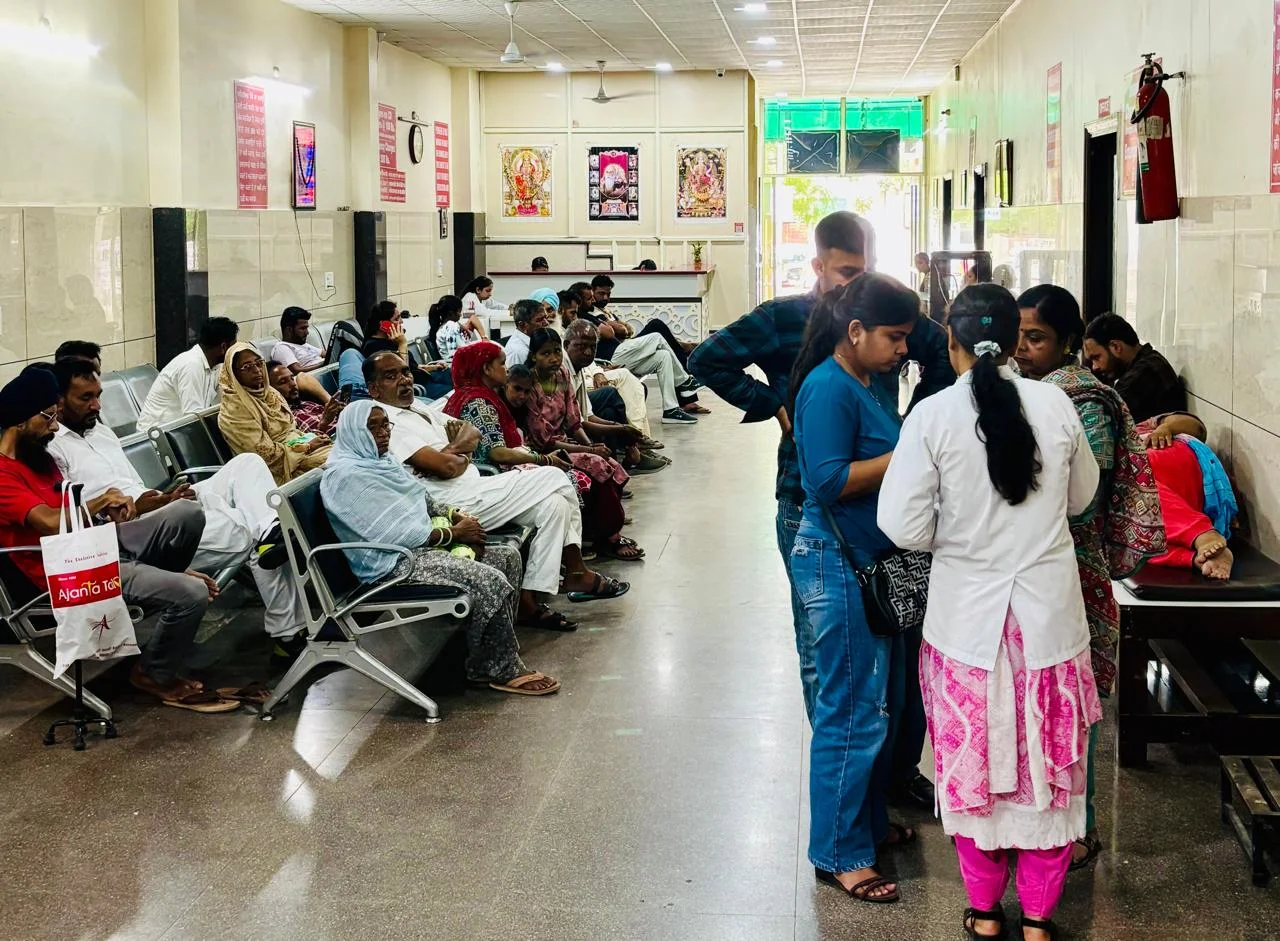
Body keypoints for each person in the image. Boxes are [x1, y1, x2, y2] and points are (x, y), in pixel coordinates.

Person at [689, 209, 953, 781]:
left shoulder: (880, 315)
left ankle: (893, 774)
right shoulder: (783, 318)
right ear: (817, 265)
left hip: (885, 504)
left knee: (896, 638)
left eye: (866, 270)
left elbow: (940, 348)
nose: (856, 283)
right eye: (846, 272)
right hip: (806, 502)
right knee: (823, 649)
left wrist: (916, 420)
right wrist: (773, 404)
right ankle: (845, 779)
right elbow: (706, 360)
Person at [878, 284, 1105, 941]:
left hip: (966, 628)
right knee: (1048, 773)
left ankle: (983, 912)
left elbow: (901, 525)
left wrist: (959, 538)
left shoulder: (932, 416)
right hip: (1048, 625)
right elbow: (1082, 497)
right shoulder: (1056, 404)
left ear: (951, 342)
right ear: (1014, 343)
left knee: (973, 767)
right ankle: (1038, 919)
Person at [1014, 284, 1166, 870]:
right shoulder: (1028, 392)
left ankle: (1082, 823)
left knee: (1074, 700)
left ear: (1070, 342)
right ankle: (1036, 815)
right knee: (1035, 694)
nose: (1022, 348)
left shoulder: (1085, 402)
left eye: (1036, 337)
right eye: (1018, 335)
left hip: (1073, 567)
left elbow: (1084, 497)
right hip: (1033, 566)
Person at [788, 273, 922, 906]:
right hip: (836, 563)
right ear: (857, 330)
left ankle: (865, 824)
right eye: (894, 336)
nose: (903, 348)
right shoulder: (828, 388)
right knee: (851, 712)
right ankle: (840, 853)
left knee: (878, 705)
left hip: (870, 565)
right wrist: (913, 454)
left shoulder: (864, 382)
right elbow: (826, 481)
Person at [49, 358, 308, 676]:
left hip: (159, 507)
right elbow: (89, 519)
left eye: (98, 395)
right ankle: (287, 631)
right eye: (85, 398)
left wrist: (166, 498)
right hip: (135, 535)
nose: (96, 405)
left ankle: (271, 535)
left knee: (248, 465)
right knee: (248, 531)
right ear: (59, 400)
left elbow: (136, 489)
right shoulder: (54, 449)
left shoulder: (100, 431)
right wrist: (158, 505)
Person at [0, 366, 237, 713]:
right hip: (67, 573)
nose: (54, 426)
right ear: (21, 421)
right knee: (192, 593)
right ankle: (153, 673)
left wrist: (104, 511)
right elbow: (50, 522)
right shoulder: (4, 475)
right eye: (48, 417)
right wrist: (99, 502)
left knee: (187, 514)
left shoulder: (39, 458)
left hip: (93, 545)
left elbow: (69, 509)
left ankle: (164, 578)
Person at [364, 351, 629, 621]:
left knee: (555, 504)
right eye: (391, 376)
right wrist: (458, 451)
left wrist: (452, 451)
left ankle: (529, 598)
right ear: (374, 389)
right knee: (554, 476)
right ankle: (576, 570)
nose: (404, 380)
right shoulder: (387, 423)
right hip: (450, 503)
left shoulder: (419, 408)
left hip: (474, 485)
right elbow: (447, 468)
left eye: (406, 372)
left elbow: (472, 432)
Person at [322, 401, 560, 695]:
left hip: (417, 550)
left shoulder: (381, 461)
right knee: (488, 579)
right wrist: (454, 534)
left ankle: (487, 657)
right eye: (373, 427)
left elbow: (421, 497)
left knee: (506, 557)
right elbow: (392, 534)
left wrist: (454, 515)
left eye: (385, 425)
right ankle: (500, 668)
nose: (384, 433)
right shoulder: (345, 477)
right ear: (353, 432)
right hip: (392, 564)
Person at [444, 341, 643, 561]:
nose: (506, 369)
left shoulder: (483, 395)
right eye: (501, 364)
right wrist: (544, 460)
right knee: (573, 478)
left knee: (591, 468)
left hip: (509, 464)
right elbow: (497, 453)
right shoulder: (479, 403)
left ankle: (590, 541)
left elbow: (572, 422)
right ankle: (582, 550)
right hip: (496, 474)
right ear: (486, 369)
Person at [523, 328, 646, 559]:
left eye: (556, 352)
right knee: (596, 465)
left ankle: (599, 531)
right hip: (544, 451)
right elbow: (544, 440)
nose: (553, 358)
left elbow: (573, 421)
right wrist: (588, 451)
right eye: (545, 353)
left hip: (566, 443)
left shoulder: (562, 375)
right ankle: (610, 539)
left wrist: (593, 448)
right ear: (533, 356)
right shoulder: (530, 385)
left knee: (608, 461)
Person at [1139, 412, 1236, 579]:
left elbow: (1197, 427)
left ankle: (1202, 535)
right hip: (1162, 505)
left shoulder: (1134, 427)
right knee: (1123, 542)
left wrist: (1166, 428)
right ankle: (1199, 558)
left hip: (1194, 471)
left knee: (1128, 483)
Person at [218, 343, 333, 485]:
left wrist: (313, 437)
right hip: (280, 471)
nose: (257, 370)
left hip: (301, 452)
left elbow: (291, 431)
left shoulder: (270, 393)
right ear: (233, 373)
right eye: (247, 366)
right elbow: (265, 457)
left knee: (347, 453)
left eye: (258, 363)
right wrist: (307, 447)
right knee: (340, 464)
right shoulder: (234, 411)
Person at [564, 319, 663, 450]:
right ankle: (633, 443)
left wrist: (620, 427)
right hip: (559, 433)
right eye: (581, 346)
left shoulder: (578, 367)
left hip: (591, 379)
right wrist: (591, 448)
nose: (588, 352)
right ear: (566, 345)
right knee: (610, 392)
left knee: (609, 412)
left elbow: (588, 415)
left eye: (593, 347)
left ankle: (629, 447)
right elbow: (577, 423)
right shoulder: (562, 369)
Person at [137, 316, 239, 432]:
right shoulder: (191, 366)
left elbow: (222, 406)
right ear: (223, 347)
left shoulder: (215, 366)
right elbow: (193, 417)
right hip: (156, 436)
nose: (235, 353)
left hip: (178, 431)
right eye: (233, 347)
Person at [1082, 312, 1187, 424]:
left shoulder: (1145, 373)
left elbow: (1097, 419)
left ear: (1116, 347)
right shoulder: (1149, 362)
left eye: (1096, 357)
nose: (1094, 367)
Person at [340, 300, 452, 401]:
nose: (401, 322)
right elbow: (401, 374)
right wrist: (402, 344)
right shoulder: (374, 347)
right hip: (417, 386)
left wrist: (431, 367)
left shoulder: (391, 341)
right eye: (397, 319)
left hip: (424, 377)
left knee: (453, 374)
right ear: (384, 325)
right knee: (452, 390)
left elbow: (412, 366)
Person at [588, 274, 698, 371]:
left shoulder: (606, 311)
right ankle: (683, 350)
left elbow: (629, 330)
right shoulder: (592, 312)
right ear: (592, 292)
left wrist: (620, 327)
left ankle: (683, 358)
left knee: (665, 347)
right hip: (619, 351)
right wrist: (621, 327)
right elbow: (622, 331)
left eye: (608, 294)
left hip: (627, 345)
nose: (605, 298)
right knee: (656, 325)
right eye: (601, 293)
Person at [269, 362, 344, 437]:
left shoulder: (306, 404)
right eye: (283, 382)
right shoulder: (285, 420)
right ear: (270, 390)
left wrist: (341, 410)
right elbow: (313, 442)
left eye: (292, 378)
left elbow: (302, 376)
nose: (293, 384)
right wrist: (323, 425)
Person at [271, 306, 325, 372]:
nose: (307, 333)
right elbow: (296, 370)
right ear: (289, 330)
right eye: (303, 328)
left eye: (306, 328)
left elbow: (325, 354)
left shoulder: (301, 344)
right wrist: (325, 364)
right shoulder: (282, 347)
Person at [428, 295, 477, 365]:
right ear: (451, 313)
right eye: (459, 311)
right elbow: (454, 353)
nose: (460, 315)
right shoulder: (451, 326)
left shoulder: (443, 327)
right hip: (457, 364)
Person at [504, 298, 551, 369]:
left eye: (546, 318)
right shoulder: (517, 351)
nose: (546, 323)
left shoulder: (537, 340)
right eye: (540, 320)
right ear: (522, 325)